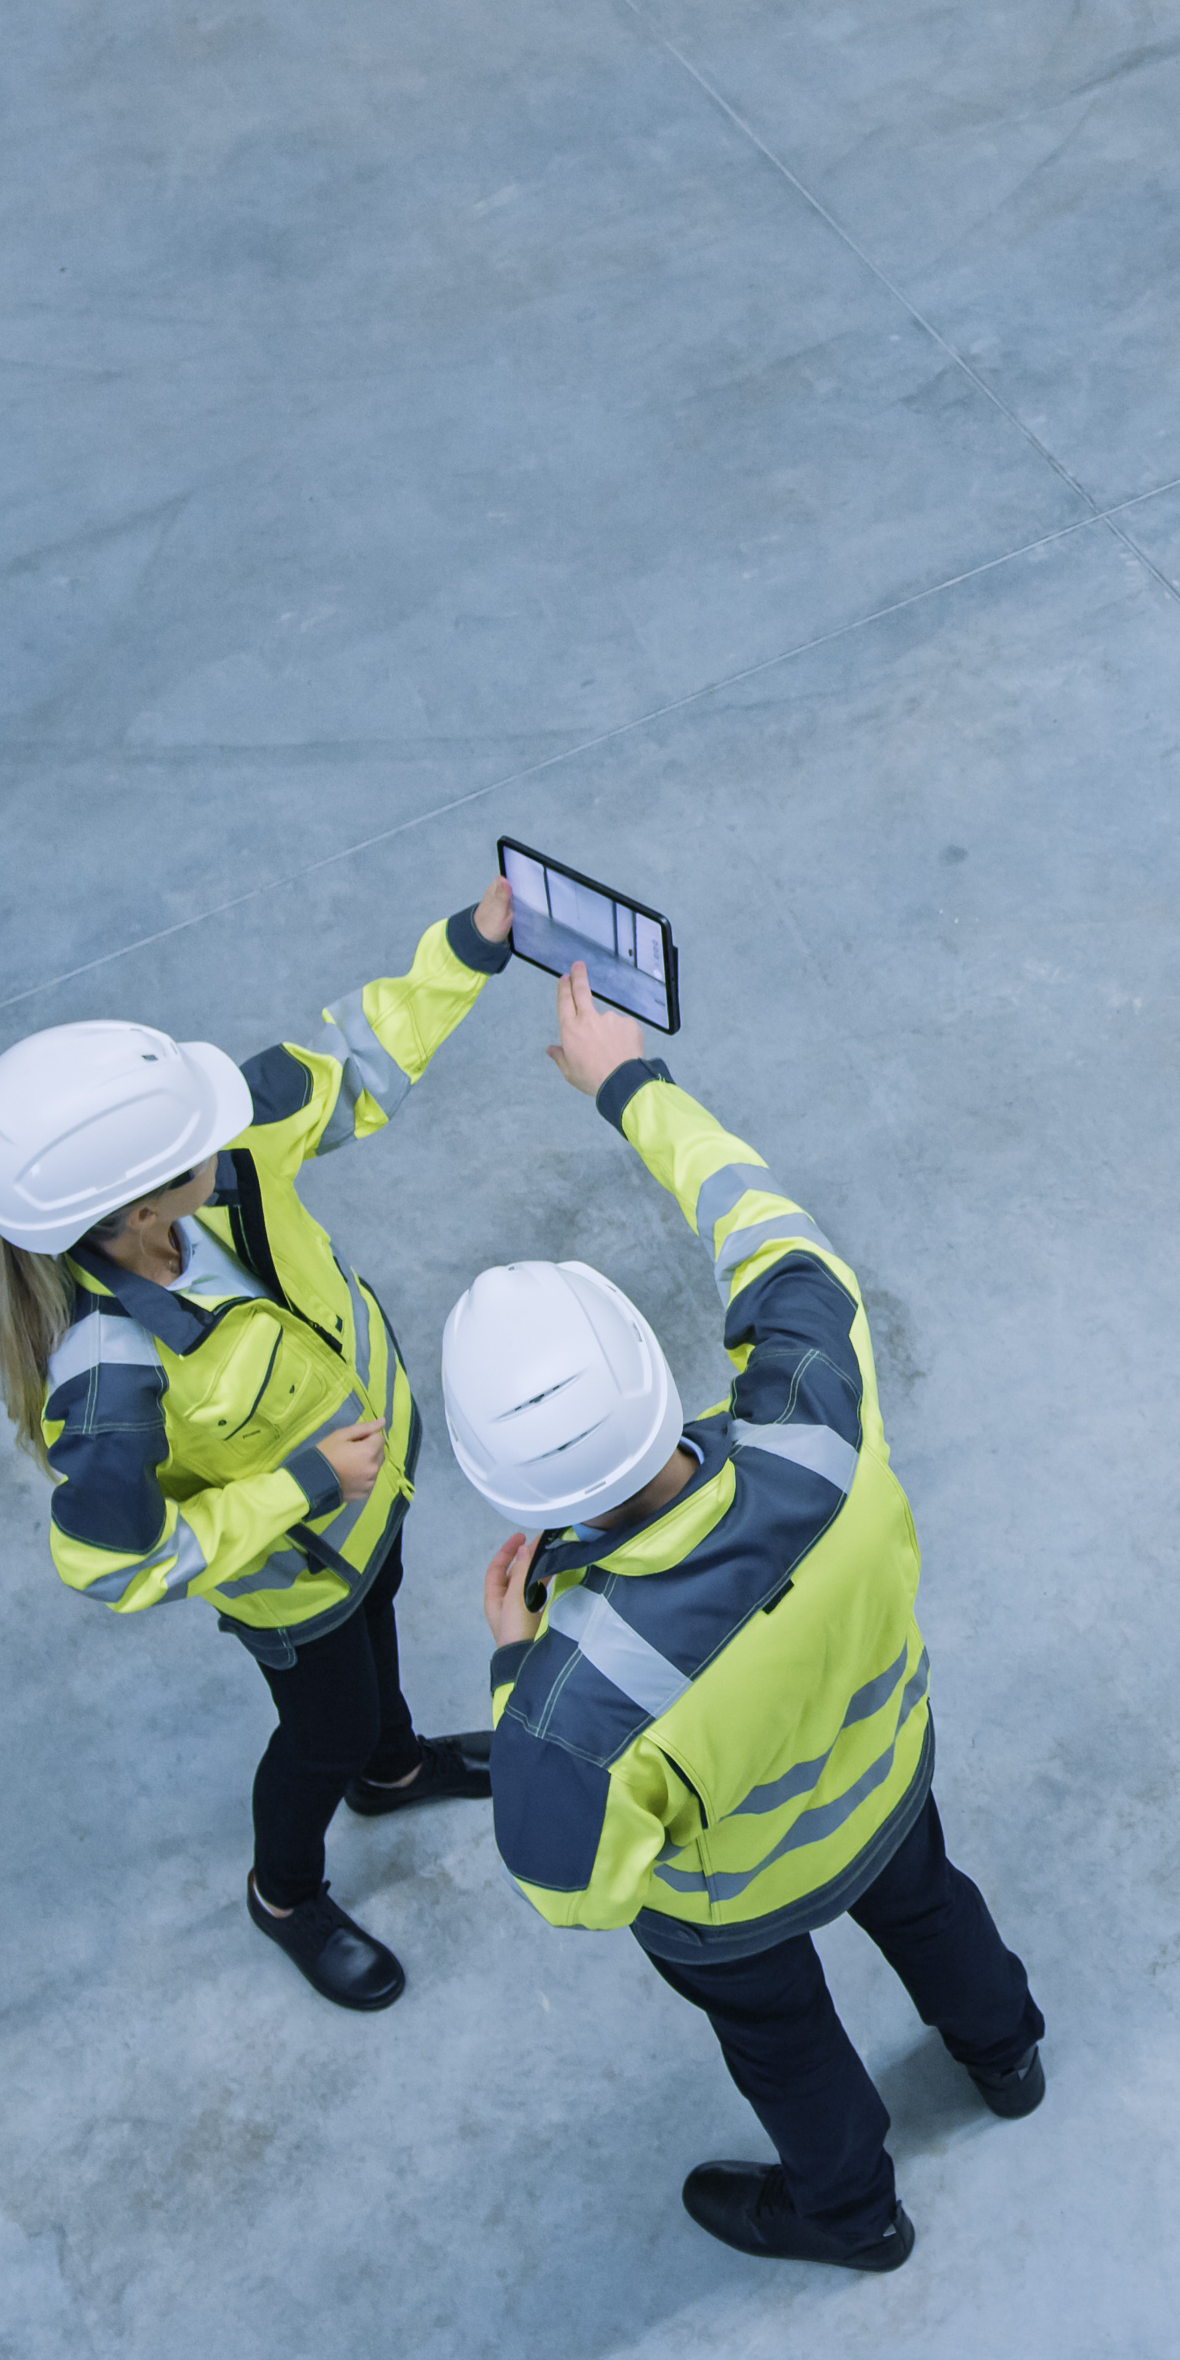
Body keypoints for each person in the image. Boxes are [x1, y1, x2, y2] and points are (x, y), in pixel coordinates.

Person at [437, 963, 1046, 2271]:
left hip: (740, 1907)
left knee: (785, 2041)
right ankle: (1006, 2053)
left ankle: (853, 2212)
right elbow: (775, 1231)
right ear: (658, 1375)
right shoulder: (817, 1417)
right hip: (884, 1783)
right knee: (932, 1906)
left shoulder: (569, 1700)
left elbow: (569, 1887)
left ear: (511, 1498)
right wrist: (626, 1083)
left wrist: (510, 1673)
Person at [0, 879, 519, 2009]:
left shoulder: (213, 1154)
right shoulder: (108, 1380)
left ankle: (394, 1768)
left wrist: (465, 948)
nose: (226, 1131)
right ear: (132, 1214)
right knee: (321, 1729)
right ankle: (285, 1889)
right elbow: (116, 1562)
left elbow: (351, 1062)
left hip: (373, 1496)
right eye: (194, 1146)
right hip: (287, 1573)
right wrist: (304, 1484)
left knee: (383, 1623)